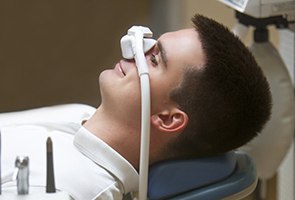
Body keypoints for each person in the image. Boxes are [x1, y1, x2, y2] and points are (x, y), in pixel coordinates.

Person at [0, 14, 271, 199]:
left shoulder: (70, 190)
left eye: (154, 60)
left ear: (168, 119)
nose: (133, 50)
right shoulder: (82, 116)